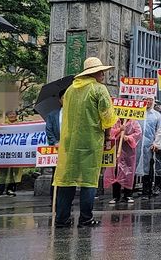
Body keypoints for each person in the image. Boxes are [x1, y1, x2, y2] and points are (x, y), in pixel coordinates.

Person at [53, 57, 118, 228]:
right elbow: (107, 117)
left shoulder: (69, 91)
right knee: (89, 180)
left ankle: (62, 219)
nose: (103, 74)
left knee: (67, 180)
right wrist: (107, 136)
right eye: (100, 71)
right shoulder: (99, 89)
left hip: (69, 142)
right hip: (90, 141)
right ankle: (85, 218)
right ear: (94, 73)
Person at [103, 118, 142, 204]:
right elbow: (109, 133)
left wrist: (128, 138)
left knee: (128, 172)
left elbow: (138, 133)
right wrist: (119, 130)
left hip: (128, 151)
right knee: (115, 172)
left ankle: (128, 195)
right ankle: (116, 196)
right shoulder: (114, 121)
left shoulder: (133, 121)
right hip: (116, 149)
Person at [0, 110, 24, 197]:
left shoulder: (21, 125)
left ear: (16, 115)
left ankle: (11, 189)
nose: (12, 115)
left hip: (16, 151)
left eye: (13, 114)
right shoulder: (2, 124)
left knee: (14, 171)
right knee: (2, 170)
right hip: (3, 151)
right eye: (10, 114)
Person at [135, 97, 161, 199]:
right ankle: (129, 191)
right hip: (136, 144)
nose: (148, 102)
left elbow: (159, 130)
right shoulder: (136, 113)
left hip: (149, 145)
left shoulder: (156, 115)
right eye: (145, 99)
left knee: (148, 167)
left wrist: (156, 143)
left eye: (150, 99)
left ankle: (147, 190)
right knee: (136, 165)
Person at [45, 90, 64, 200]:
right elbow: (49, 130)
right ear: (59, 100)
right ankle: (54, 199)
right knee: (56, 173)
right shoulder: (53, 115)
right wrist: (55, 142)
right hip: (56, 148)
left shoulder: (75, 114)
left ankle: (66, 200)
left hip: (69, 148)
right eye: (63, 98)